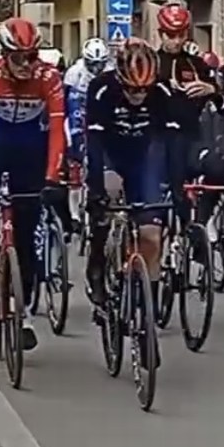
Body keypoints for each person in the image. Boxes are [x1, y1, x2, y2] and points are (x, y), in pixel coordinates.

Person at [0, 17, 65, 353]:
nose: (25, 64)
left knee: (26, 238)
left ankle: (25, 316)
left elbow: (58, 133)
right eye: (18, 57)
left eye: (31, 56)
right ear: (5, 54)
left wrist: (52, 177)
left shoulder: (49, 78)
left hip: (30, 151)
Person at [83, 39, 170, 308]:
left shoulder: (162, 92)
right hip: (110, 153)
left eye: (145, 89)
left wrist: (174, 185)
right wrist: (96, 188)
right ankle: (97, 264)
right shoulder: (102, 89)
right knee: (106, 197)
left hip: (143, 159)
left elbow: (169, 143)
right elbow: (94, 144)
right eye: (132, 89)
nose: (139, 95)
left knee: (151, 235)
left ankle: (148, 300)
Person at [155, 4, 217, 227]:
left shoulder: (196, 63)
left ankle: (200, 225)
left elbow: (222, 99)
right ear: (161, 34)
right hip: (159, 134)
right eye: (171, 35)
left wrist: (211, 89)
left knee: (217, 171)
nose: (176, 41)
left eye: (181, 35)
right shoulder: (152, 62)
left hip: (191, 133)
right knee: (169, 184)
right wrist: (160, 86)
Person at [64, 38, 109, 166]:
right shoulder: (74, 72)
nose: (95, 69)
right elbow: (66, 97)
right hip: (80, 109)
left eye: (100, 65)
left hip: (100, 111)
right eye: (92, 64)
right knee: (70, 132)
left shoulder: (110, 71)